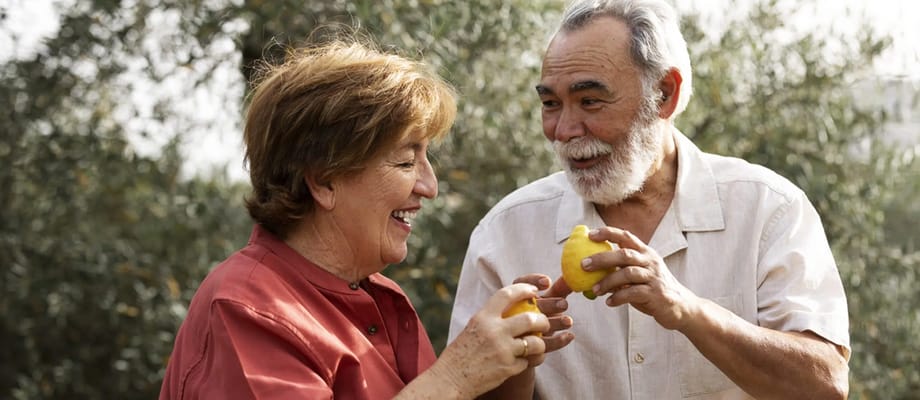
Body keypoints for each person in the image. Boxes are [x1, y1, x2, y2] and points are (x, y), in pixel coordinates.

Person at [449, 0, 851, 399]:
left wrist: (687, 311)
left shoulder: (768, 210)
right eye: (551, 104)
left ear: (664, 94)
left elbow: (826, 385)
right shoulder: (504, 234)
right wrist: (517, 353)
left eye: (590, 101)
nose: (565, 130)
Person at [159, 34, 572, 400]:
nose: (430, 186)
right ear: (324, 181)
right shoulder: (246, 311)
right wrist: (457, 376)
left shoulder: (383, 298)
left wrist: (514, 357)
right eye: (406, 161)